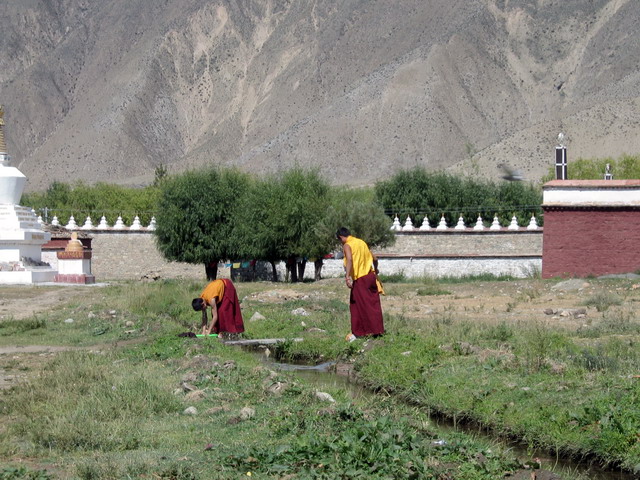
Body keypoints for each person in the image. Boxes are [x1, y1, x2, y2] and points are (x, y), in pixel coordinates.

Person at [336, 227, 384, 339]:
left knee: (357, 305)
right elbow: (375, 258)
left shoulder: (347, 245)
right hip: (371, 276)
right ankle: (377, 330)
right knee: (373, 304)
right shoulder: (361, 242)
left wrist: (347, 276)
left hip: (361, 279)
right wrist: (376, 269)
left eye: (339, 239)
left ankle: (360, 332)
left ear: (341, 237)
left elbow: (350, 260)